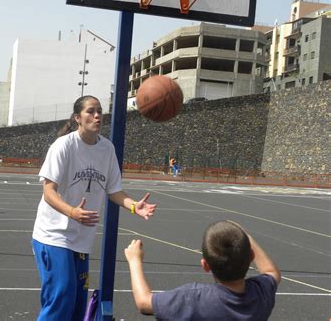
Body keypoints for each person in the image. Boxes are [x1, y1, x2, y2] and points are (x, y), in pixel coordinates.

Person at [32, 95, 157, 321]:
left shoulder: (107, 149)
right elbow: (48, 192)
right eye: (91, 111)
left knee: (79, 306)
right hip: (53, 235)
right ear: (77, 118)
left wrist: (133, 206)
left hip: (81, 238)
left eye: (100, 111)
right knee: (61, 297)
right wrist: (72, 212)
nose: (97, 115)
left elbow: (114, 190)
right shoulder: (64, 146)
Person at [124, 220, 281, 321]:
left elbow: (144, 303)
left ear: (205, 265)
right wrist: (243, 235)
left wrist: (134, 261)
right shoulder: (261, 293)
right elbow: (271, 272)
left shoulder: (193, 298)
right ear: (251, 256)